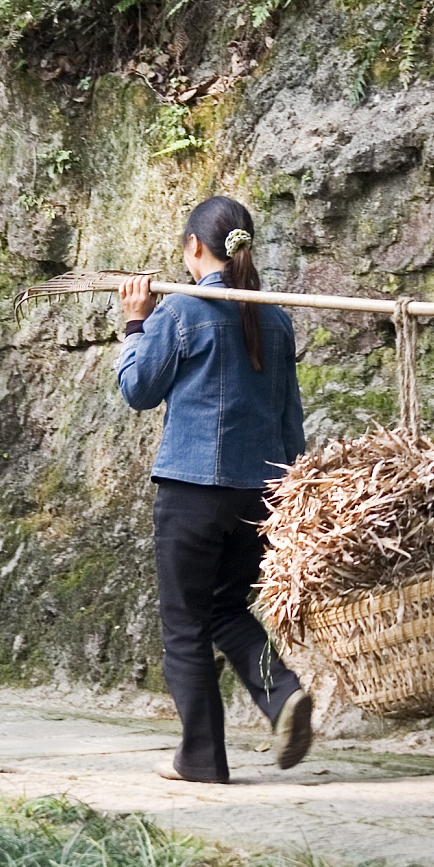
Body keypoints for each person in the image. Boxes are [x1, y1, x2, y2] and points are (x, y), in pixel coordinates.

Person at [116, 196, 312, 783]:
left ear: (194, 248)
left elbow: (138, 390)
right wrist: (291, 491)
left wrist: (134, 323)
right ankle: (282, 696)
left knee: (184, 624)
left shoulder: (181, 310)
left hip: (192, 490)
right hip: (261, 492)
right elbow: (290, 418)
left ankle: (201, 759)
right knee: (228, 608)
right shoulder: (274, 316)